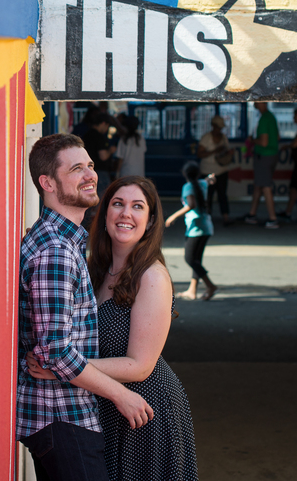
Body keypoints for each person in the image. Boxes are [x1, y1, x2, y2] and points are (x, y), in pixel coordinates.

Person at [28, 176, 198, 481]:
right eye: (118, 204)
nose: (125, 214)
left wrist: (63, 368)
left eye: (137, 207)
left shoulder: (152, 277)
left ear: (149, 222)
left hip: (145, 409)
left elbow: (140, 365)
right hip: (104, 402)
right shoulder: (92, 268)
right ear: (105, 213)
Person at [18, 134, 153, 481]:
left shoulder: (65, 242)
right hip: (62, 418)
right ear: (47, 183)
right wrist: (121, 395)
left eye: (90, 165)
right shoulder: (57, 251)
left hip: (64, 418)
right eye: (77, 168)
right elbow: (56, 350)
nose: (90, 175)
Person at [166, 162, 218, 301]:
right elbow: (208, 181)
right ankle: (192, 290)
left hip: (196, 228)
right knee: (196, 259)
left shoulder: (188, 186)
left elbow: (191, 204)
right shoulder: (202, 183)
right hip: (206, 225)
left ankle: (210, 285)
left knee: (189, 258)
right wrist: (211, 178)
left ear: (184, 174)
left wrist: (173, 216)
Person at [245, 102, 280, 228]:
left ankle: (273, 218)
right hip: (271, 155)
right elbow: (278, 137)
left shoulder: (265, 118)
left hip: (264, 156)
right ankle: (252, 214)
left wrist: (252, 140)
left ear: (262, 102)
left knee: (265, 186)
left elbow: (264, 142)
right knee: (259, 185)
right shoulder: (270, 116)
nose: (254, 102)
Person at [197, 115, 234, 225]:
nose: (220, 129)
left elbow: (226, 151)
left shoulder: (223, 137)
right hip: (207, 171)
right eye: (218, 127)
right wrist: (214, 151)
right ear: (213, 126)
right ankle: (207, 218)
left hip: (222, 170)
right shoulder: (206, 138)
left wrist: (229, 153)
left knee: (222, 195)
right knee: (208, 196)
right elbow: (200, 154)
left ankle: (225, 217)